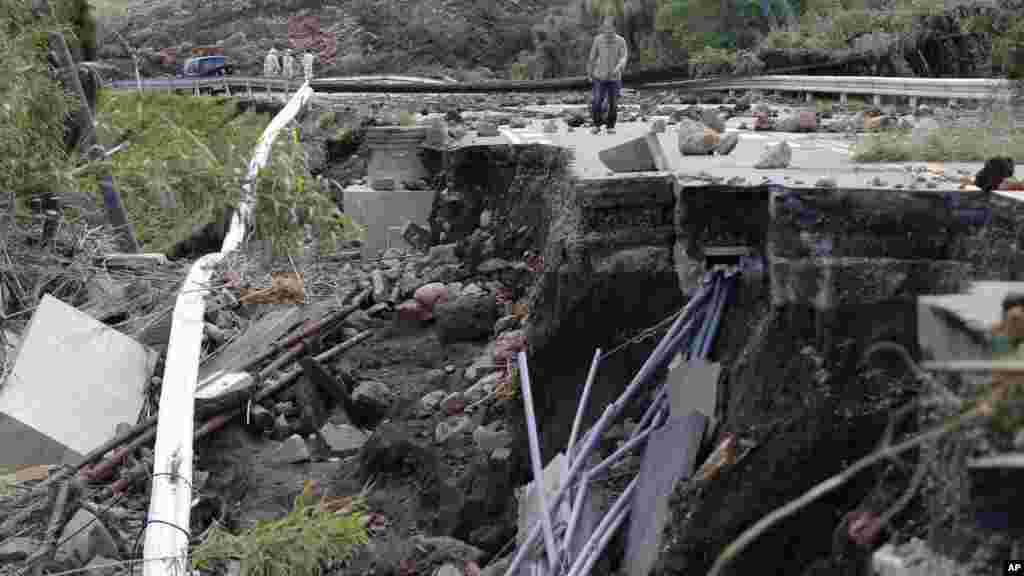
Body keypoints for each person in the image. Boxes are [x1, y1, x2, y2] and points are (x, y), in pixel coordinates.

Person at [587, 16, 628, 134]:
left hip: (614, 78)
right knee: (597, 101)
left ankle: (610, 126)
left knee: (613, 103)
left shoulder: (621, 41)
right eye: (605, 27)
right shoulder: (598, 40)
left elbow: (624, 57)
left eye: (609, 27)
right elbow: (592, 57)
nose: (607, 30)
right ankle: (596, 124)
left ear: (614, 28)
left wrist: (619, 67)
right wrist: (589, 73)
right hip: (599, 77)